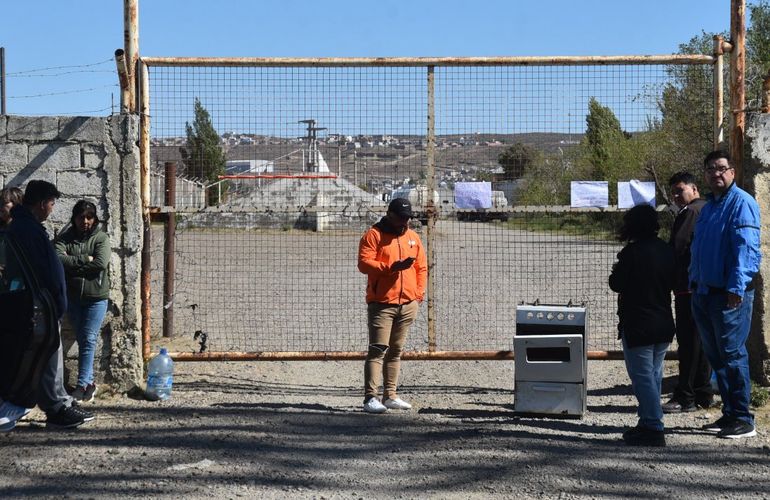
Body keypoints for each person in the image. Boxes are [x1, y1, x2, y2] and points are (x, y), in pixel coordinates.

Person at [6, 180, 94, 429]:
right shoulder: (27, 230)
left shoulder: (27, 227)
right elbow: (43, 270)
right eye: (52, 204)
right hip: (40, 305)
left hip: (41, 303)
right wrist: (53, 300)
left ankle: (59, 402)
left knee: (47, 356)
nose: (53, 209)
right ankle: (56, 408)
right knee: (49, 356)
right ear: (43, 203)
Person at [690, 150, 761, 439]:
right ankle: (729, 414)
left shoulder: (742, 203)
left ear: (732, 171)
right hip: (704, 294)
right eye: (710, 169)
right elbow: (699, 249)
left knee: (732, 356)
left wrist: (736, 287)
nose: (715, 174)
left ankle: (744, 418)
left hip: (729, 296)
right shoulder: (709, 208)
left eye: (721, 168)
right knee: (716, 357)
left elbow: (747, 250)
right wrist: (694, 281)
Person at [609, 204, 675, 447]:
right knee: (654, 375)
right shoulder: (667, 250)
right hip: (663, 321)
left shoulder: (631, 253)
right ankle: (647, 420)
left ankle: (653, 426)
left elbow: (617, 284)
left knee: (642, 377)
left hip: (638, 323)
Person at [358, 198, 427, 413]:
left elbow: (421, 267)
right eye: (401, 218)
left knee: (395, 351)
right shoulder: (374, 235)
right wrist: (390, 267)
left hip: (407, 304)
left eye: (408, 218)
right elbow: (363, 263)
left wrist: (417, 295)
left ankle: (391, 395)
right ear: (390, 214)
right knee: (378, 350)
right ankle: (371, 397)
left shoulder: (412, 237)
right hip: (382, 304)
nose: (405, 222)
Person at [662, 172, 713, 413]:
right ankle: (703, 392)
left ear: (694, 189)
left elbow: (678, 249)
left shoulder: (691, 212)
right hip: (704, 286)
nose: (675, 196)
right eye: (673, 192)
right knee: (701, 341)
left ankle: (685, 397)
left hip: (687, 287)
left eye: (679, 190)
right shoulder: (710, 208)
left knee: (689, 342)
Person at [55, 200, 110, 403]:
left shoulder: (101, 238)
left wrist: (73, 264)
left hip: (96, 299)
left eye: (89, 217)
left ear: (95, 219)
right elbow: (57, 258)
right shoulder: (65, 238)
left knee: (88, 339)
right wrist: (85, 259)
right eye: (81, 217)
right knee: (83, 338)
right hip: (73, 299)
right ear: (74, 218)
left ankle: (83, 384)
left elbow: (100, 263)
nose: (85, 221)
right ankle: (89, 383)